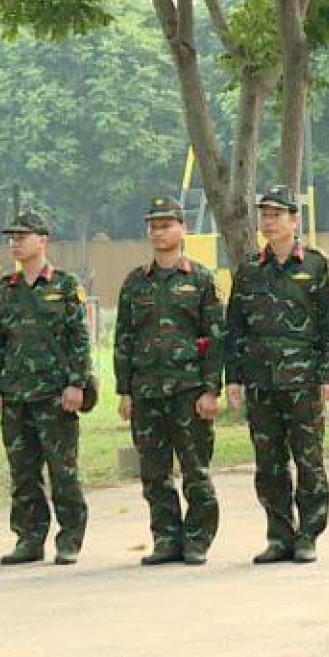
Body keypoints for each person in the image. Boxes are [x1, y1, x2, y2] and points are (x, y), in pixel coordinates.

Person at [224, 185, 329, 564]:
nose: (269, 221)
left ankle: (308, 534)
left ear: (294, 220)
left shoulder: (314, 265)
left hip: (303, 381)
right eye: (264, 214)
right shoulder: (248, 270)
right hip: (261, 382)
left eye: (277, 214)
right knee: (269, 463)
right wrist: (233, 378)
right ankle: (279, 535)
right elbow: (235, 328)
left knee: (308, 461)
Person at [114, 196, 222, 566]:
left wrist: (211, 389)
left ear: (182, 228)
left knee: (195, 471)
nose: (158, 232)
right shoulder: (135, 283)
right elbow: (123, 339)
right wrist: (124, 390)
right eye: (153, 226)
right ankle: (166, 538)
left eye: (165, 225)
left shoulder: (201, 279)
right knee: (154, 473)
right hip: (146, 392)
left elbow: (215, 339)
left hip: (188, 392)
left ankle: (197, 539)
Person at [0, 208, 90, 566]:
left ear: (42, 240)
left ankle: (70, 538)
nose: (14, 242)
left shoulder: (64, 286)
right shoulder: (5, 289)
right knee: (23, 473)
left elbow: (79, 340)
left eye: (22, 236)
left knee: (63, 470)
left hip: (54, 395)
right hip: (15, 395)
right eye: (11, 237)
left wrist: (76, 384)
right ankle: (29, 538)